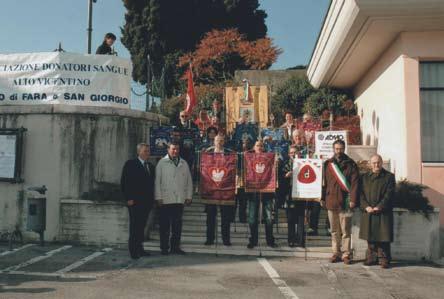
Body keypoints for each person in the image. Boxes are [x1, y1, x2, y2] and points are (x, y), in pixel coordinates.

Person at [321, 139, 359, 264]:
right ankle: (336, 253)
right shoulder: (327, 164)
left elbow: (355, 185)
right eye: (336, 149)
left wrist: (353, 200)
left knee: (346, 230)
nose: (339, 151)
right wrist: (322, 198)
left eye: (341, 149)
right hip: (331, 201)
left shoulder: (351, 164)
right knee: (334, 230)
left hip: (346, 202)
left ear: (344, 149)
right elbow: (323, 183)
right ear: (333, 149)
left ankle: (346, 253)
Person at [155, 142, 193, 255]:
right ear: (168, 149)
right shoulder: (161, 163)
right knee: (164, 226)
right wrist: (158, 197)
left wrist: (189, 196)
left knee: (177, 226)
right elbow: (157, 182)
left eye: (177, 149)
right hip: (165, 200)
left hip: (178, 199)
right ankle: (164, 248)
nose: (175, 151)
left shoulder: (184, 163)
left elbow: (189, 181)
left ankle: (175, 247)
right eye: (173, 149)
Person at [359, 154, 395, 269]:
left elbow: (389, 194)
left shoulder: (389, 177)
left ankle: (384, 259)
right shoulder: (364, 177)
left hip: (383, 212)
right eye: (374, 163)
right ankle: (371, 258)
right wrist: (366, 206)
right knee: (371, 236)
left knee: (383, 236)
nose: (376, 165)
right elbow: (360, 194)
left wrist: (380, 206)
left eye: (378, 162)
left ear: (382, 163)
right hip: (369, 211)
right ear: (370, 164)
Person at [120, 143, 155, 259]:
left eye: (148, 151)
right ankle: (133, 250)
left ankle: (140, 248)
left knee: (142, 227)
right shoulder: (131, 164)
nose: (147, 153)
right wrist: (128, 198)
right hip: (134, 202)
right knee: (135, 227)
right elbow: (125, 182)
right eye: (145, 151)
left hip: (146, 203)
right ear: (139, 152)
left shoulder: (150, 166)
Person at [203, 135, 236, 246]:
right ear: (214, 141)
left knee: (225, 218)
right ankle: (209, 239)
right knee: (210, 218)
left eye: (221, 140)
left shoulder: (229, 153)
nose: (219, 142)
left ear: (224, 141)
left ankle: (226, 239)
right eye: (217, 140)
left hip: (225, 189)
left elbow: (233, 169)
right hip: (211, 189)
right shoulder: (207, 153)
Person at [246, 140, 277, 249]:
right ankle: (253, 240)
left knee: (269, 218)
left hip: (266, 191)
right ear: (254, 147)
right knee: (252, 218)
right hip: (253, 191)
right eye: (257, 145)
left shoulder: (268, 157)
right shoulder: (249, 158)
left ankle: (270, 240)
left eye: (261, 145)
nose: (259, 147)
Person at [279, 145, 305, 247]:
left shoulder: (304, 163)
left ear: (299, 153)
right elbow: (279, 179)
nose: (293, 154)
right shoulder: (284, 163)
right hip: (288, 194)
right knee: (290, 219)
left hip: (301, 193)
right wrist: (285, 176)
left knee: (300, 218)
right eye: (291, 153)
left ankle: (301, 240)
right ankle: (291, 239)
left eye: (295, 152)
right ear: (289, 154)